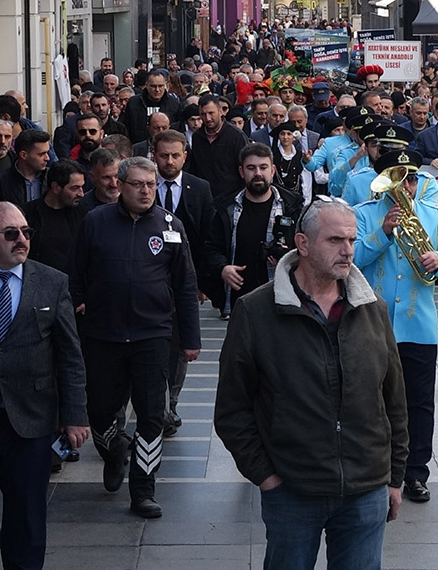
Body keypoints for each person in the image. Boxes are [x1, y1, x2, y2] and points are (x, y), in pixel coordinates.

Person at [214, 191, 408, 567]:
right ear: (301, 243)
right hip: (292, 488)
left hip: (366, 487)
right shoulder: (255, 311)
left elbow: (394, 400)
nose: (348, 250)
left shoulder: (373, 309)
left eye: (352, 239)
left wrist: (394, 476)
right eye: (335, 240)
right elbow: (232, 409)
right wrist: (266, 477)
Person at [68, 157, 201, 518]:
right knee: (98, 410)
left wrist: (190, 337)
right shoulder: (95, 222)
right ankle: (114, 451)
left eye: (151, 185)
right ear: (120, 186)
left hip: (153, 336)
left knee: (151, 416)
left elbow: (185, 286)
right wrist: (79, 304)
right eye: (138, 184)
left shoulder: (171, 226)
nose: (146, 191)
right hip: (103, 335)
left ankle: (143, 489)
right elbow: (75, 272)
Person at [0, 201, 88, 569]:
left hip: (32, 421)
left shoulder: (52, 282)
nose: (21, 240)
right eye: (11, 234)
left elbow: (70, 355)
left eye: (26, 232)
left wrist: (75, 416)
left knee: (26, 516)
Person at [354, 150, 438, 504]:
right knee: (372, 401)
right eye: (401, 177)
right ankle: (376, 468)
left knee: (419, 403)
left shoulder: (435, 215)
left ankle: (416, 472)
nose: (409, 185)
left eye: (413, 178)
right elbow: (351, 259)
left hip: (419, 326)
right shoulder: (365, 213)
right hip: (373, 323)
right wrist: (383, 233)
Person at [152, 129, 215, 433]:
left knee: (180, 345)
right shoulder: (145, 187)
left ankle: (171, 402)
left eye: (175, 155)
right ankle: (157, 403)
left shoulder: (199, 188)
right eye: (163, 155)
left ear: (185, 156)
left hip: (184, 280)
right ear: (154, 155)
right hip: (150, 280)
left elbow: (205, 238)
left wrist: (202, 282)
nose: (169, 161)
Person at [203, 143, 301, 320]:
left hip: (280, 298)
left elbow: (306, 248)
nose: (258, 174)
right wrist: (222, 268)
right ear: (241, 171)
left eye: (263, 167)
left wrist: (288, 255)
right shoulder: (226, 207)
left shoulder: (292, 206)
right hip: (238, 301)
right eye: (251, 168)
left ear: (272, 170)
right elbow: (211, 247)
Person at [23, 159, 86, 272]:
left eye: (82, 187)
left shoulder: (84, 214)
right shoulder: (27, 214)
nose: (81, 194)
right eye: (75, 188)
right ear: (56, 187)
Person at [188, 94, 249, 201]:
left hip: (230, 197)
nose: (207, 118)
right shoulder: (197, 137)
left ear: (220, 111)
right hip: (205, 197)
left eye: (211, 113)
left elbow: (244, 167)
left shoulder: (236, 136)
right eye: (203, 114)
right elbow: (195, 167)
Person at [0, 130, 51, 212]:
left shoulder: (52, 177)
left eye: (47, 153)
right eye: (41, 154)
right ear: (23, 155)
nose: (47, 158)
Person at [120, 70, 181, 144]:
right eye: (153, 86)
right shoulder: (133, 103)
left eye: (160, 86)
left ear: (165, 85)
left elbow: (178, 129)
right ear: (147, 85)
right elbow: (127, 128)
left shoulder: (174, 103)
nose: (157, 90)